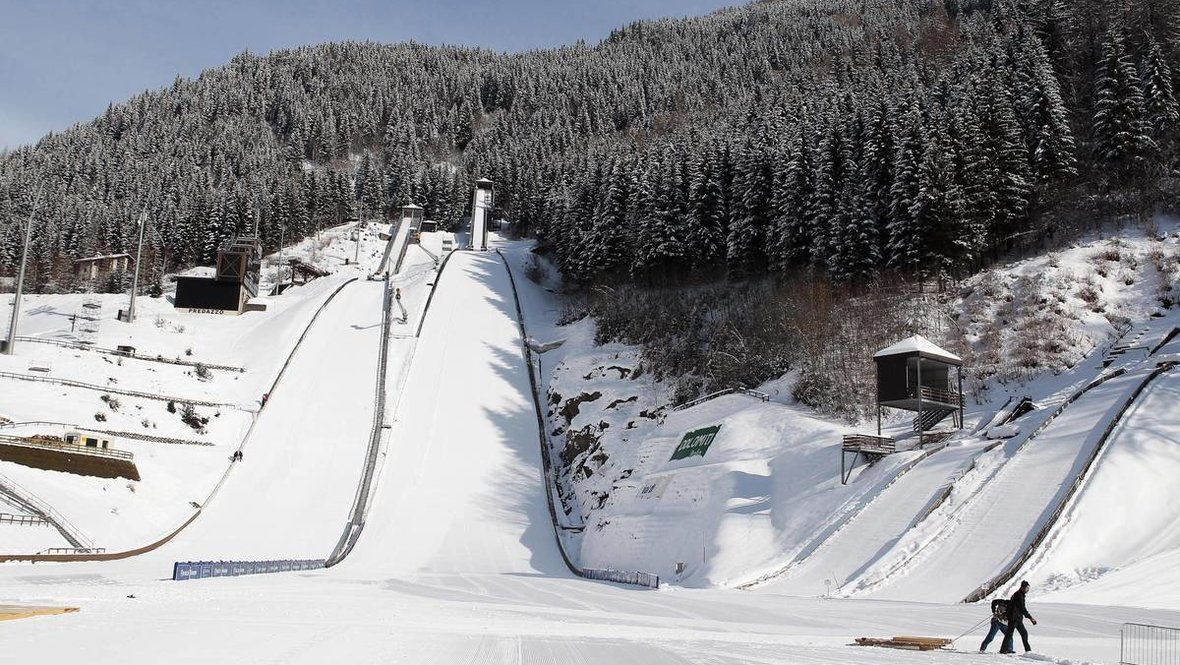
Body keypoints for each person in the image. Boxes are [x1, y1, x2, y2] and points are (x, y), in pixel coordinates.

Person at [1001, 580, 1037, 654]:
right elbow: (1022, 608)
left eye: (1028, 588)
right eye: (1027, 588)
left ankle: (1004, 650)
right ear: (1023, 588)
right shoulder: (1019, 595)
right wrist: (1030, 618)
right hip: (1015, 618)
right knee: (1013, 634)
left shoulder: (1017, 594)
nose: (1028, 590)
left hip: (1016, 618)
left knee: (1014, 634)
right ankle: (1027, 651)